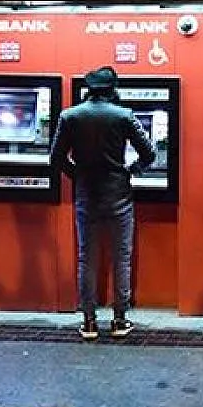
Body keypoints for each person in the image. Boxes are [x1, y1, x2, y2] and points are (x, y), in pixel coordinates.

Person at [49, 66, 157, 341]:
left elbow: (56, 158)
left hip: (87, 194)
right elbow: (149, 153)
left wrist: (77, 175)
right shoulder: (123, 115)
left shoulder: (70, 116)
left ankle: (89, 322)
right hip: (118, 194)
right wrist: (130, 170)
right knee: (122, 257)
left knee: (87, 257)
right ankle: (120, 319)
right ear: (112, 89)